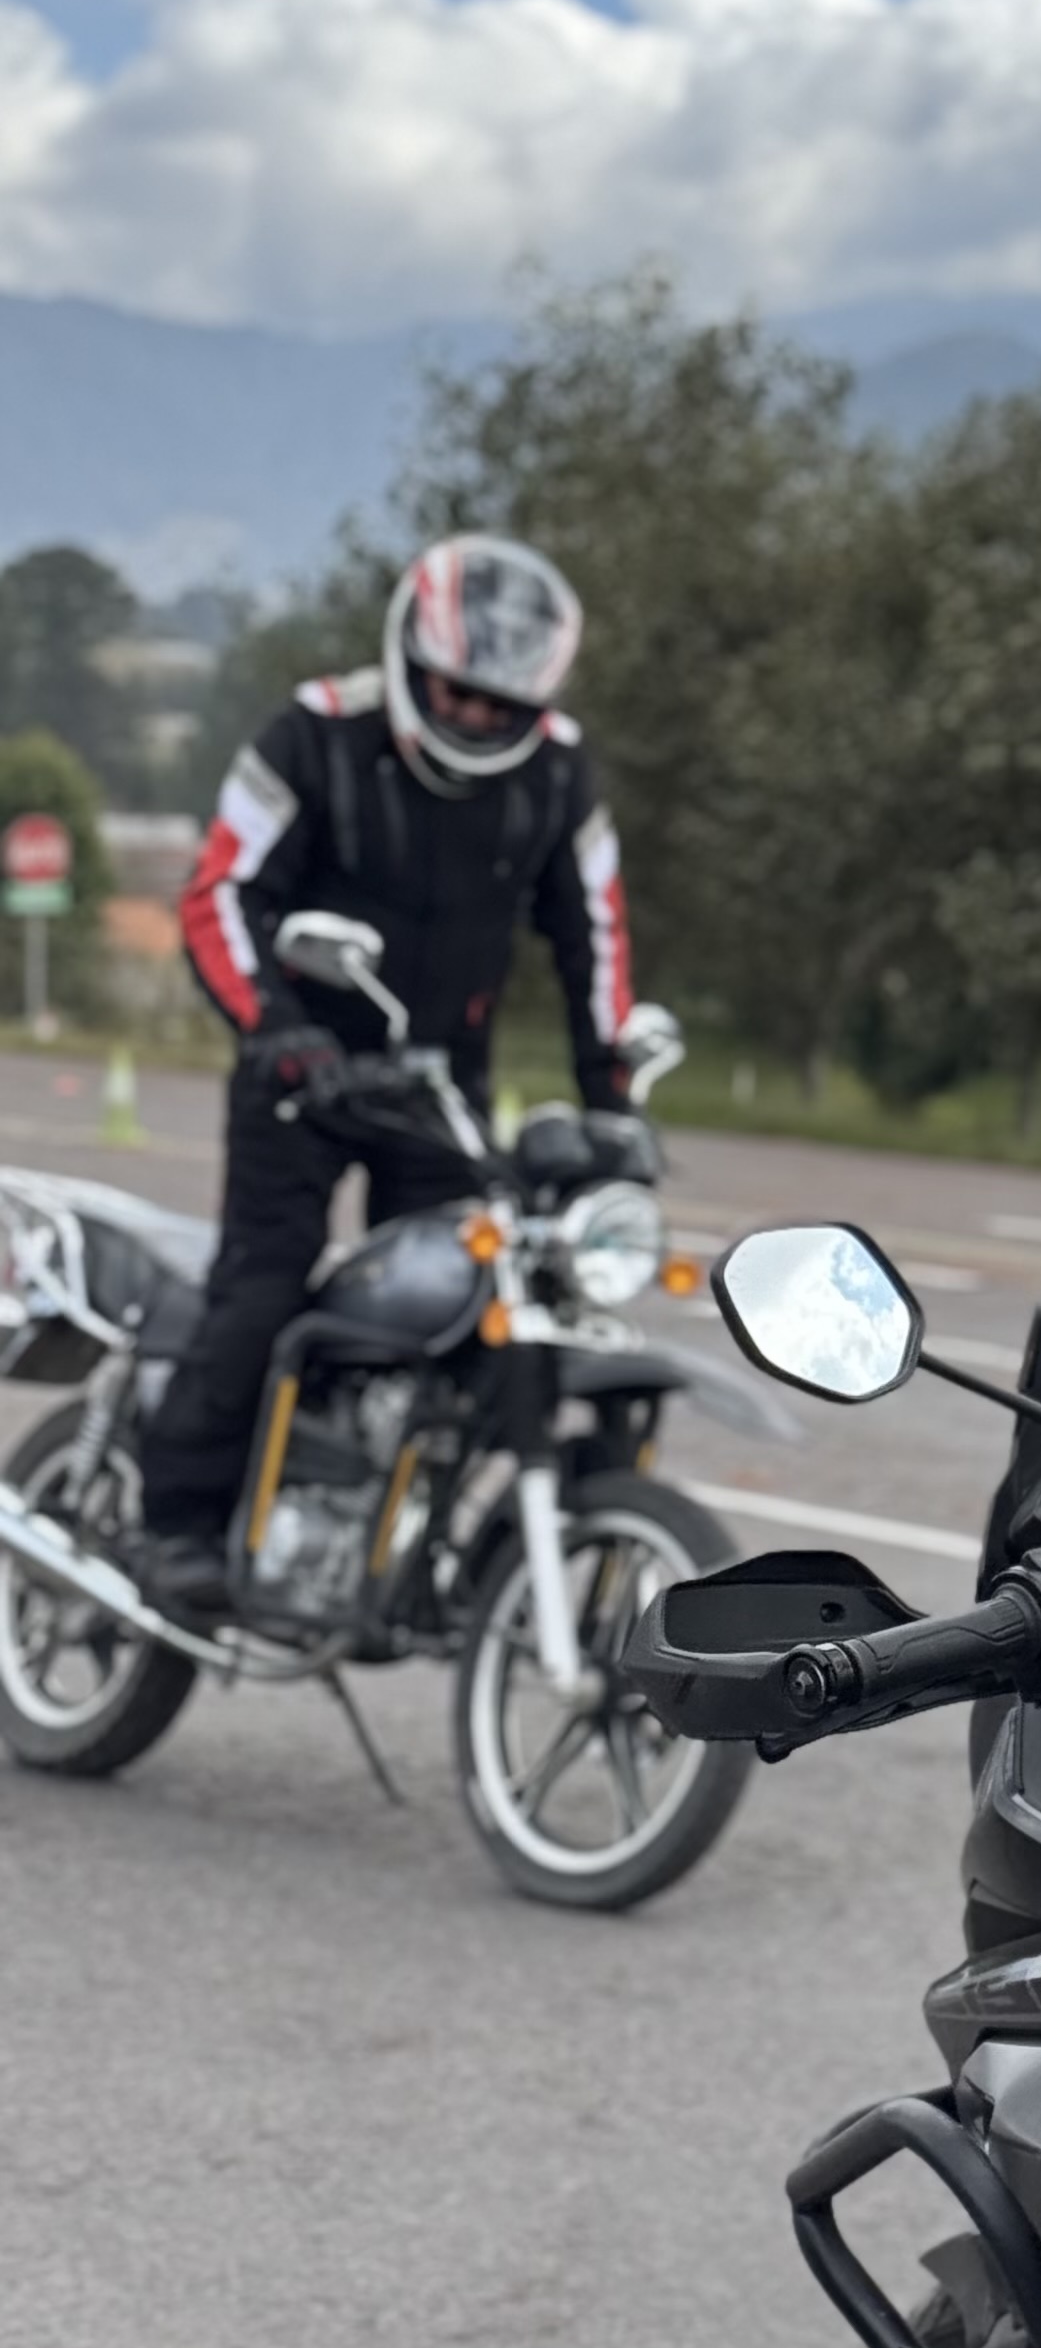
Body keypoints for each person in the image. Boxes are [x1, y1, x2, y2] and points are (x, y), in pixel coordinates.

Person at [137, 534, 638, 1615]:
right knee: (267, 1288)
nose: (477, 716)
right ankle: (176, 1520)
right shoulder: (313, 732)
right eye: (458, 692)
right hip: (302, 1074)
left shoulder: (558, 772)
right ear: (412, 657)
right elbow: (220, 893)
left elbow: (593, 935)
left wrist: (614, 1105)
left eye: (502, 703)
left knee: (479, 1309)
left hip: (439, 1091)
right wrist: (273, 1026)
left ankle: (407, 1542)